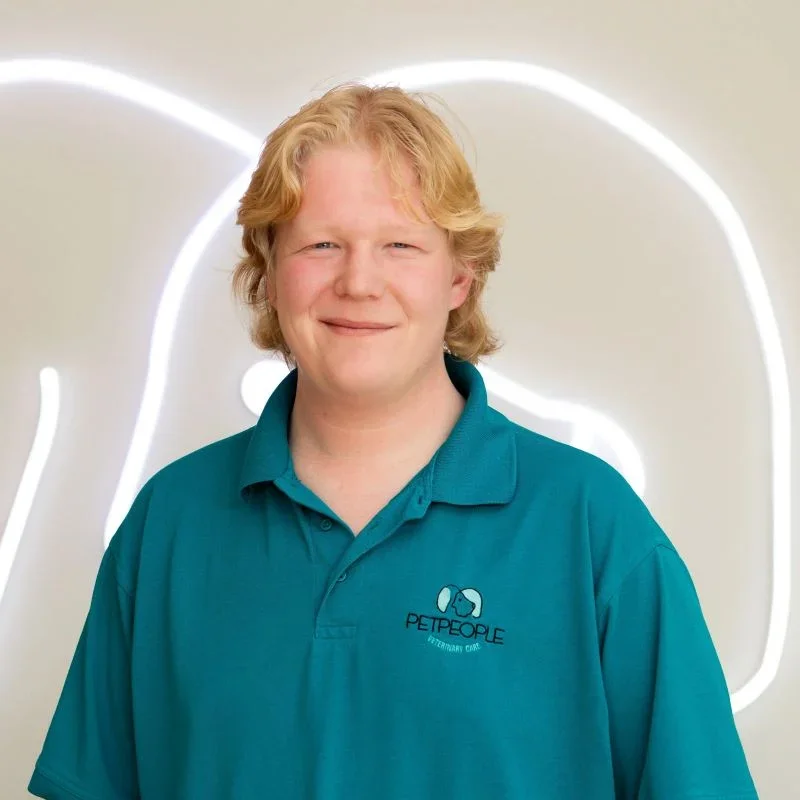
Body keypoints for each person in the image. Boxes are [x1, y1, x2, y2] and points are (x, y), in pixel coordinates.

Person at [28, 82, 758, 799]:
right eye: (321, 243)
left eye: (401, 244)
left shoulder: (590, 527)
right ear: (270, 271)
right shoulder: (171, 523)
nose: (359, 281)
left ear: (459, 278)